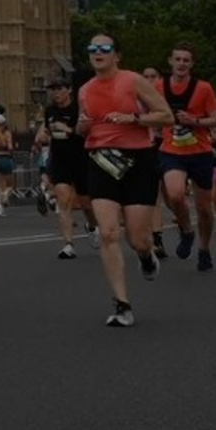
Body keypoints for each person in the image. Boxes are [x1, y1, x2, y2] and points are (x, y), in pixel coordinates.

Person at [77, 35, 169, 326]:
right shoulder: (85, 90)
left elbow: (166, 116)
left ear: (117, 56)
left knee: (138, 238)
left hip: (138, 160)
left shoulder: (133, 81)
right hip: (101, 160)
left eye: (104, 49)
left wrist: (133, 119)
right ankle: (122, 304)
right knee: (107, 232)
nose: (98, 53)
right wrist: (82, 127)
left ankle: (146, 255)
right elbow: (82, 129)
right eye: (93, 49)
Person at [155, 45, 216, 272]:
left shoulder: (203, 88)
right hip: (171, 150)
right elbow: (150, 113)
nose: (182, 63)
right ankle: (186, 230)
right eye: (178, 59)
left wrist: (194, 121)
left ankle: (204, 248)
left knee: (204, 208)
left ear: (192, 64)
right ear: (170, 61)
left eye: (186, 60)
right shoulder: (158, 87)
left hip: (200, 151)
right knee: (174, 195)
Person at [35, 74, 88, 258]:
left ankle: (92, 225)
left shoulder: (78, 109)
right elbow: (47, 129)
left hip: (81, 159)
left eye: (59, 89)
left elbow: (86, 133)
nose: (55, 93)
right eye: (53, 90)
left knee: (86, 203)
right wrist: (43, 136)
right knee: (64, 202)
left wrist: (68, 129)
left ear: (69, 90)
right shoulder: (50, 111)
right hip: (59, 160)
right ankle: (68, 244)